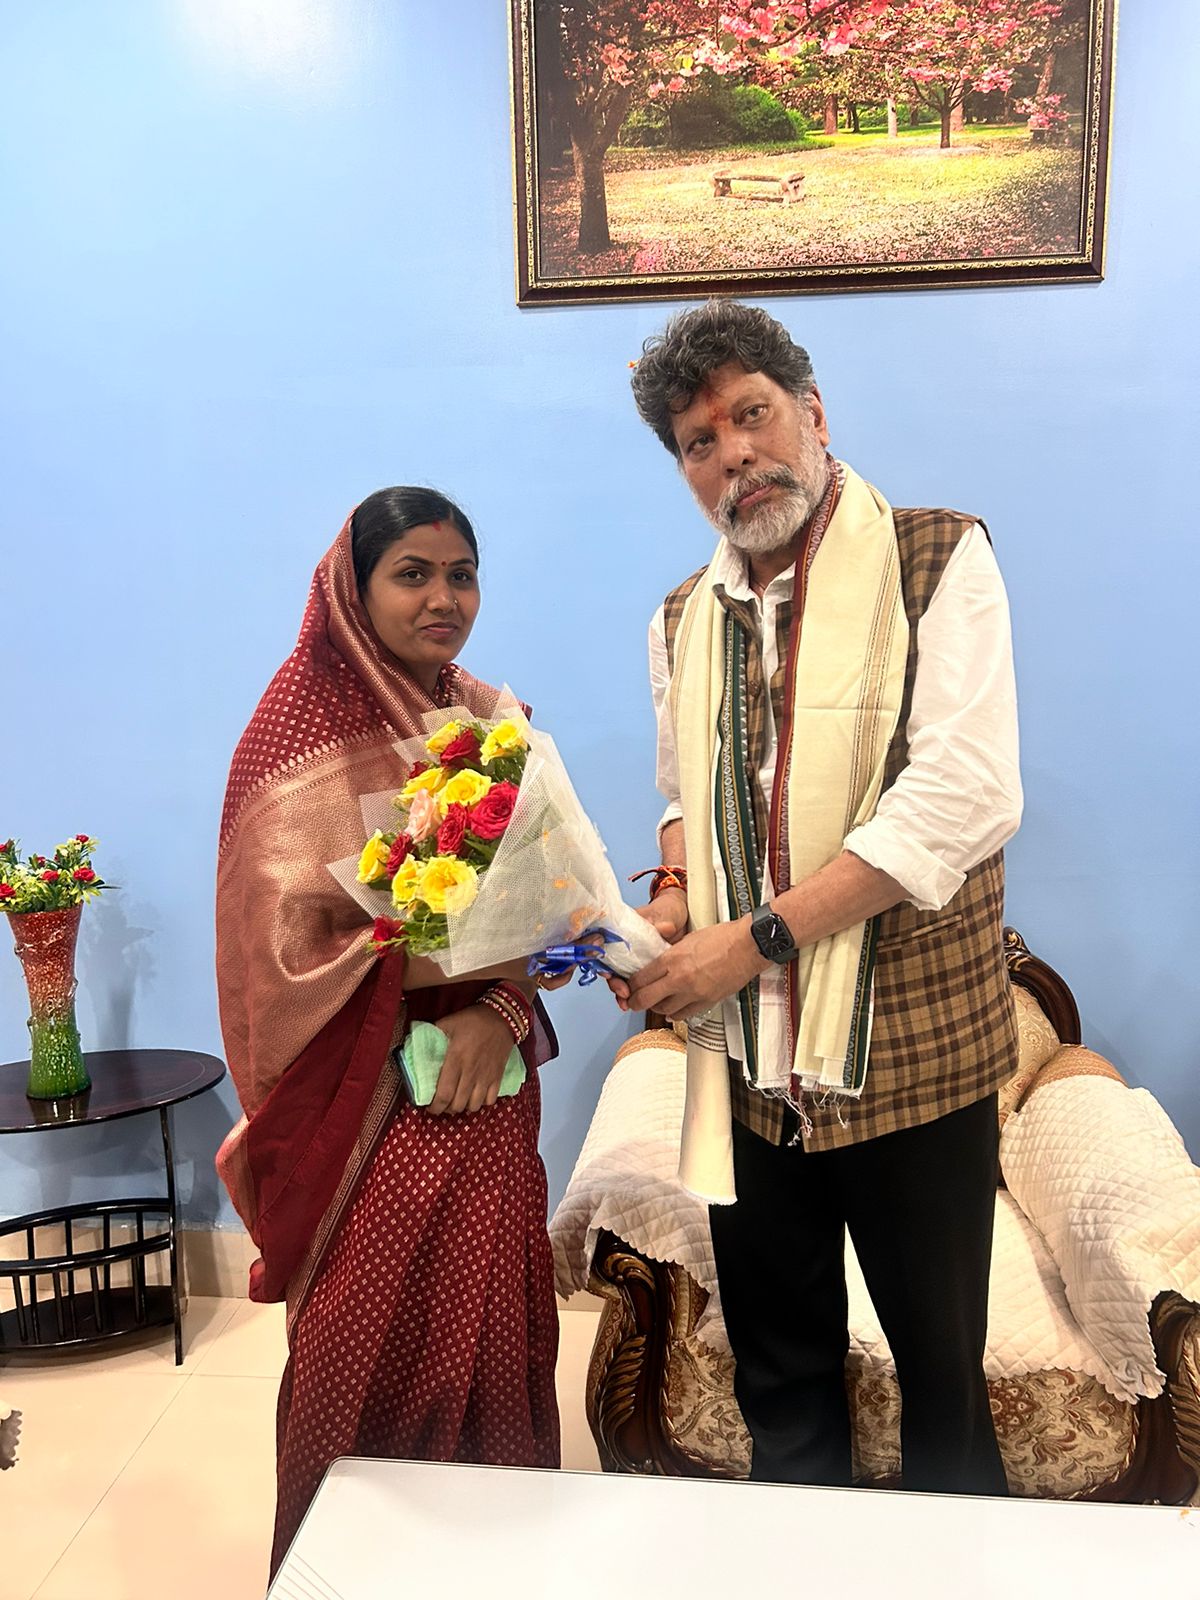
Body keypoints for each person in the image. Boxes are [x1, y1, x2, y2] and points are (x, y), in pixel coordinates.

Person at [616, 299, 1022, 1496]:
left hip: (915, 1062)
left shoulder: (938, 557)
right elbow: (682, 791)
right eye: (699, 441)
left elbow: (960, 801)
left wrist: (751, 941)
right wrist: (671, 901)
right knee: (780, 1384)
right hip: (750, 1072)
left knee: (943, 1388)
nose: (734, 454)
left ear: (813, 411)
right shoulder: (682, 618)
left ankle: (961, 1573)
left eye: (752, 414)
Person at [215, 487, 560, 1575]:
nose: (443, 597)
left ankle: (495, 1571)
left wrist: (498, 1006)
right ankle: (340, 1575)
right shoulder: (294, 736)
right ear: (352, 590)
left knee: (491, 1335)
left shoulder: (492, 720)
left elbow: (548, 910)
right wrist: (434, 964)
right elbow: (279, 953)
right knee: (356, 1350)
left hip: (488, 1090)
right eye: (413, 573)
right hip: (363, 1102)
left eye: (462, 575)